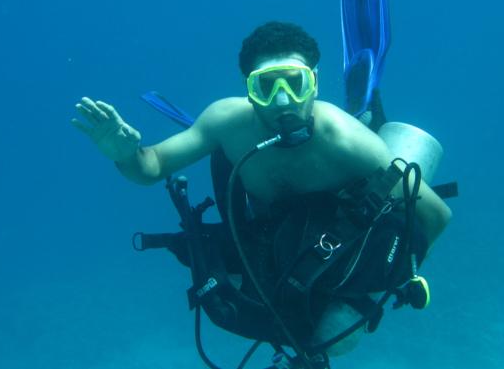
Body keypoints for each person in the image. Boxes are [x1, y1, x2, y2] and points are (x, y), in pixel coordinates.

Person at [72, 21, 452, 357]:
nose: (284, 100)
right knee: (227, 300)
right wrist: (123, 154)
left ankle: (367, 107)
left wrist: (394, 280)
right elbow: (150, 166)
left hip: (343, 233)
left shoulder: (348, 143)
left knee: (337, 338)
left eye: (296, 82)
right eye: (266, 86)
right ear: (247, 89)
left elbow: (435, 215)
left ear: (314, 82)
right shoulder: (227, 122)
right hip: (274, 233)